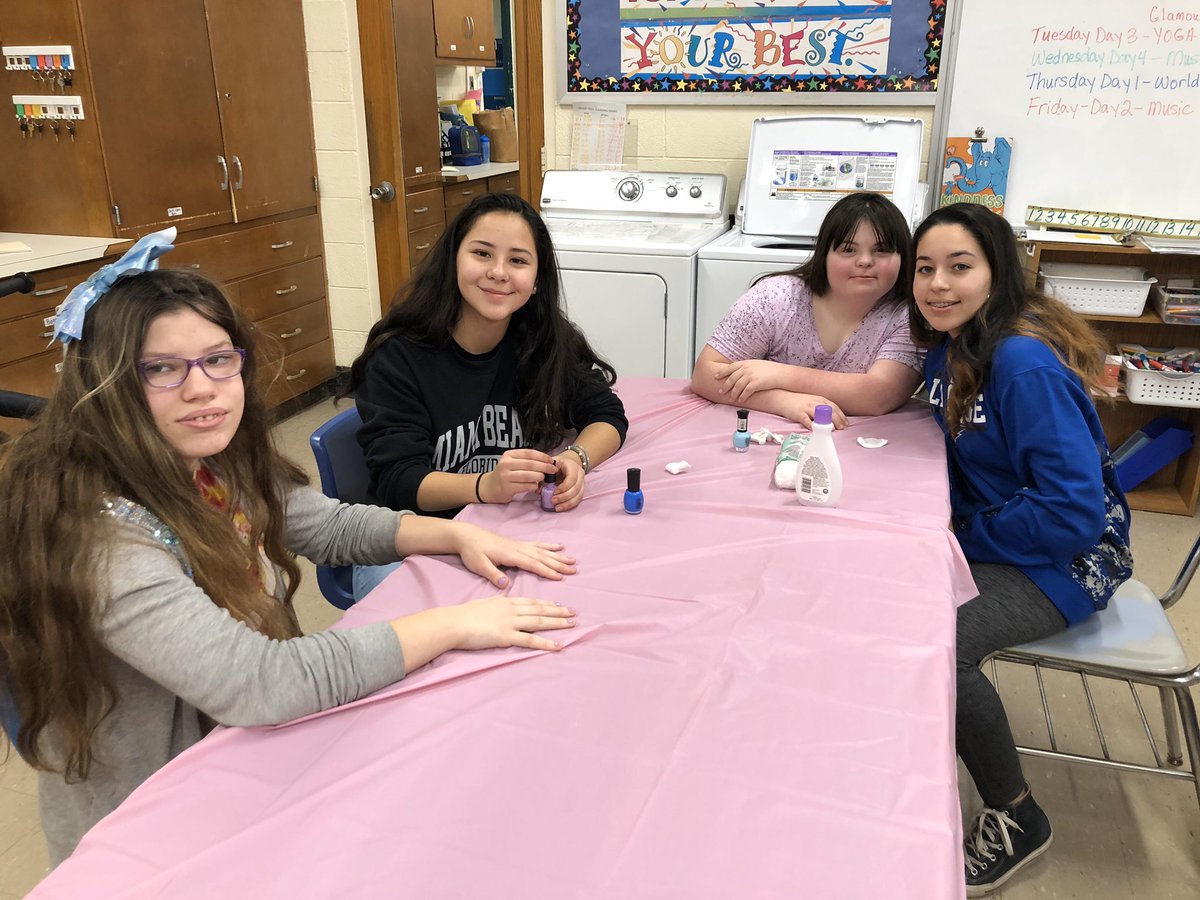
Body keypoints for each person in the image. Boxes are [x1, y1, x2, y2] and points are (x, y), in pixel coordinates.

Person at [0, 235, 579, 866]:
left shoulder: (211, 461)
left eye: (218, 359)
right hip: (154, 831)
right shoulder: (99, 534)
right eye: (161, 368)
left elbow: (325, 525)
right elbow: (261, 682)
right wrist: (455, 623)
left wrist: (455, 532)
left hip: (239, 760)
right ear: (108, 384)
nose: (202, 388)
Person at [909, 203, 1133, 896]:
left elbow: (1070, 513)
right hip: (1005, 534)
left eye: (959, 267)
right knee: (882, 595)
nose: (937, 284)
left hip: (1070, 559)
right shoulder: (953, 346)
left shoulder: (1022, 360)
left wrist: (963, 536)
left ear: (997, 271)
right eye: (925, 269)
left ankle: (1017, 813)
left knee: (939, 643)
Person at [347, 192, 628, 519]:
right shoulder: (398, 356)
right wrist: (486, 486)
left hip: (499, 527)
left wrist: (574, 458)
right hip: (413, 537)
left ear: (537, 281)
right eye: (482, 253)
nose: (498, 272)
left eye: (518, 260)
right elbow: (398, 481)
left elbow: (606, 413)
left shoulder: (543, 339)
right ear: (453, 259)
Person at [691, 192, 922, 428]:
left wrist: (777, 374)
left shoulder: (909, 317)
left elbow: (879, 395)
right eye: (848, 249)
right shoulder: (775, 298)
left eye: (881, 250)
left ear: (904, 257)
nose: (864, 261)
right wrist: (785, 402)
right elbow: (705, 375)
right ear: (824, 255)